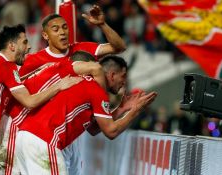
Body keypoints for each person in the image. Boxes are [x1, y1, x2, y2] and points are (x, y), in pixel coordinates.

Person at [0, 24, 82, 175]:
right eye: (24, 42)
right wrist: (58, 86)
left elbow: (5, 81)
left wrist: (39, 70)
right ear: (12, 46)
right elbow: (29, 101)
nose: (29, 47)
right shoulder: (7, 66)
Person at [15, 55, 157, 175]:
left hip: (25, 138)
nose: (124, 81)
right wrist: (136, 111)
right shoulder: (96, 90)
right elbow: (111, 131)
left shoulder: (84, 84)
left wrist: (121, 109)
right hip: (44, 141)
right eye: (123, 76)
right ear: (112, 75)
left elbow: (93, 129)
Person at [0, 51, 105, 175]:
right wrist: (102, 97)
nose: (95, 78)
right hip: (15, 125)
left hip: (27, 130)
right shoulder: (63, 70)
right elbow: (96, 68)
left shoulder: (65, 80)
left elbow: (94, 128)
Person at [18, 4, 126, 77]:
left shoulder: (82, 49)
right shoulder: (32, 61)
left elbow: (119, 47)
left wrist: (102, 25)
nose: (62, 32)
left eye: (65, 27)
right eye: (56, 29)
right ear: (45, 35)